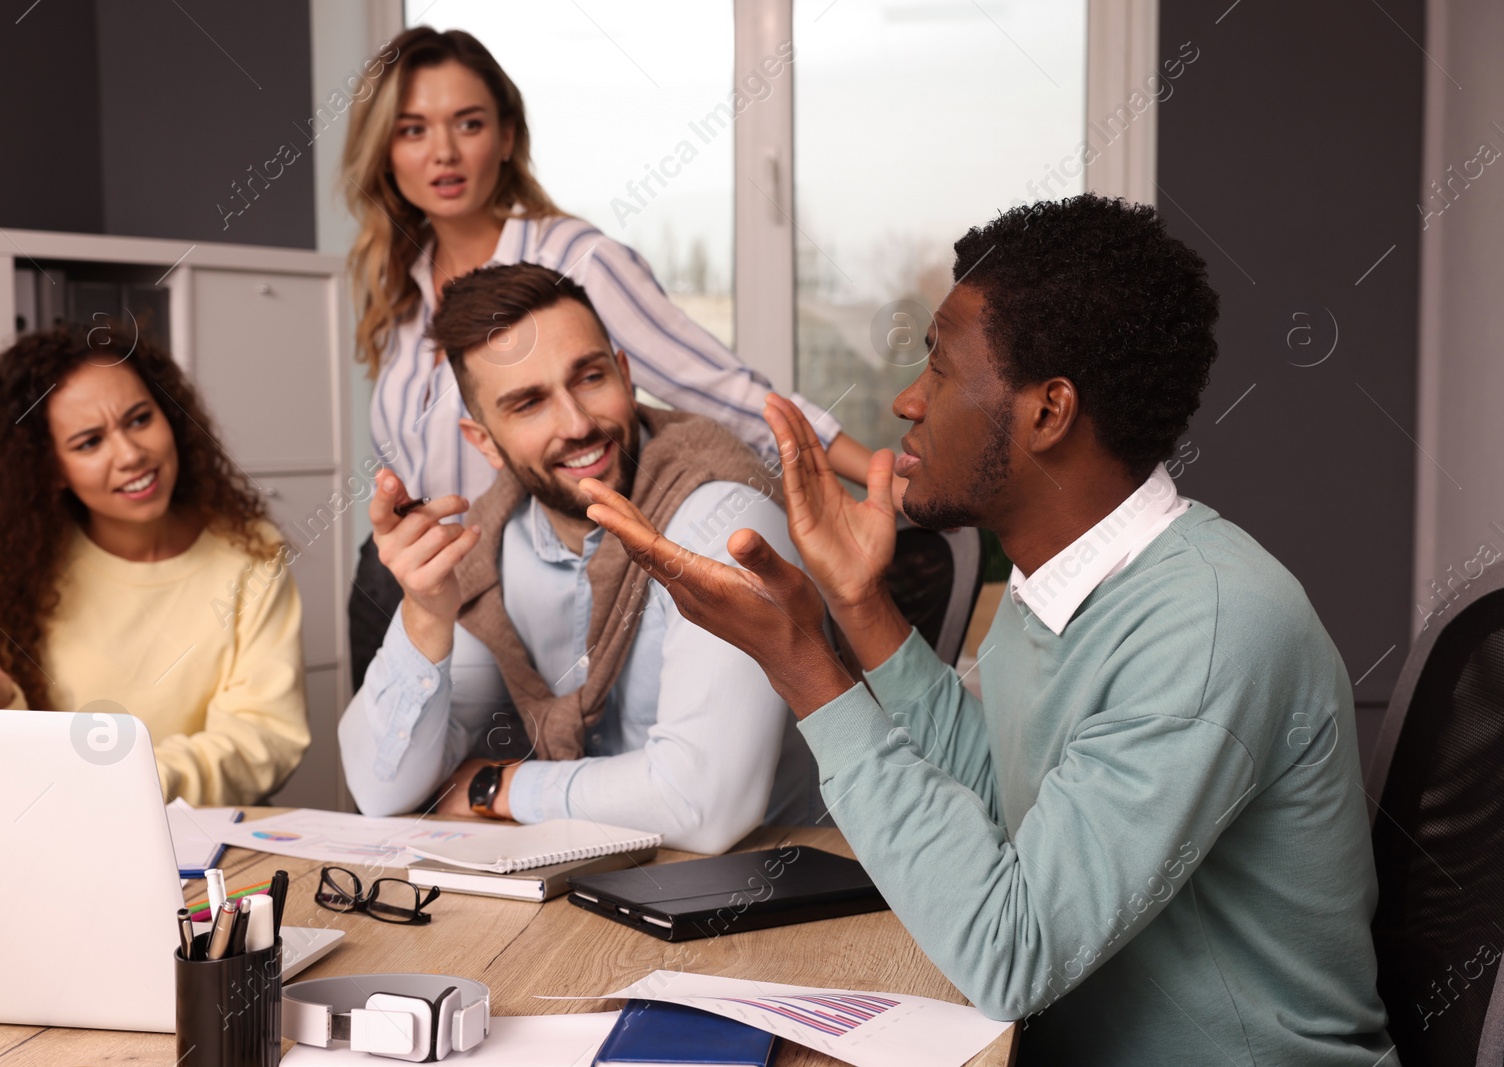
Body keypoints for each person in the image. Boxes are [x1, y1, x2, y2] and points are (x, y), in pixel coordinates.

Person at [582, 195, 1398, 1064]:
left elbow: (1012, 953)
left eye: (937, 368)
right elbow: (1003, 790)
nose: (907, 400)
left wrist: (800, 662)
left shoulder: (1209, 627)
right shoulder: (1058, 580)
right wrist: (859, 606)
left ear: (1048, 412)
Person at [340, 26, 879, 687]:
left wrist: (881, 478)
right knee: (385, 782)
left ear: (506, 136)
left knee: (501, 784)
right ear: (385, 150)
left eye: (468, 123)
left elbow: (724, 391)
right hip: (400, 582)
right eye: (413, 129)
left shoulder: (574, 262)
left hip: (512, 594)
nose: (444, 153)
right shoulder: (400, 286)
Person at [337, 263, 817, 853]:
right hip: (618, 892)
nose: (578, 423)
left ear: (624, 372)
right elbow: (380, 790)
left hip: (794, 888)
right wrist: (426, 615)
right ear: (483, 440)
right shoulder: (494, 551)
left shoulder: (721, 518)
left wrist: (498, 786)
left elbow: (703, 806)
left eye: (589, 378)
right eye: (528, 403)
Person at [0, 326, 308, 806]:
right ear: (50, 470)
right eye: (88, 443)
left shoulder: (251, 554)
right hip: (47, 832)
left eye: (140, 419)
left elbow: (263, 737)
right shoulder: (5, 566)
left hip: (194, 839)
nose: (130, 455)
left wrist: (127, 783)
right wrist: (0, 705)